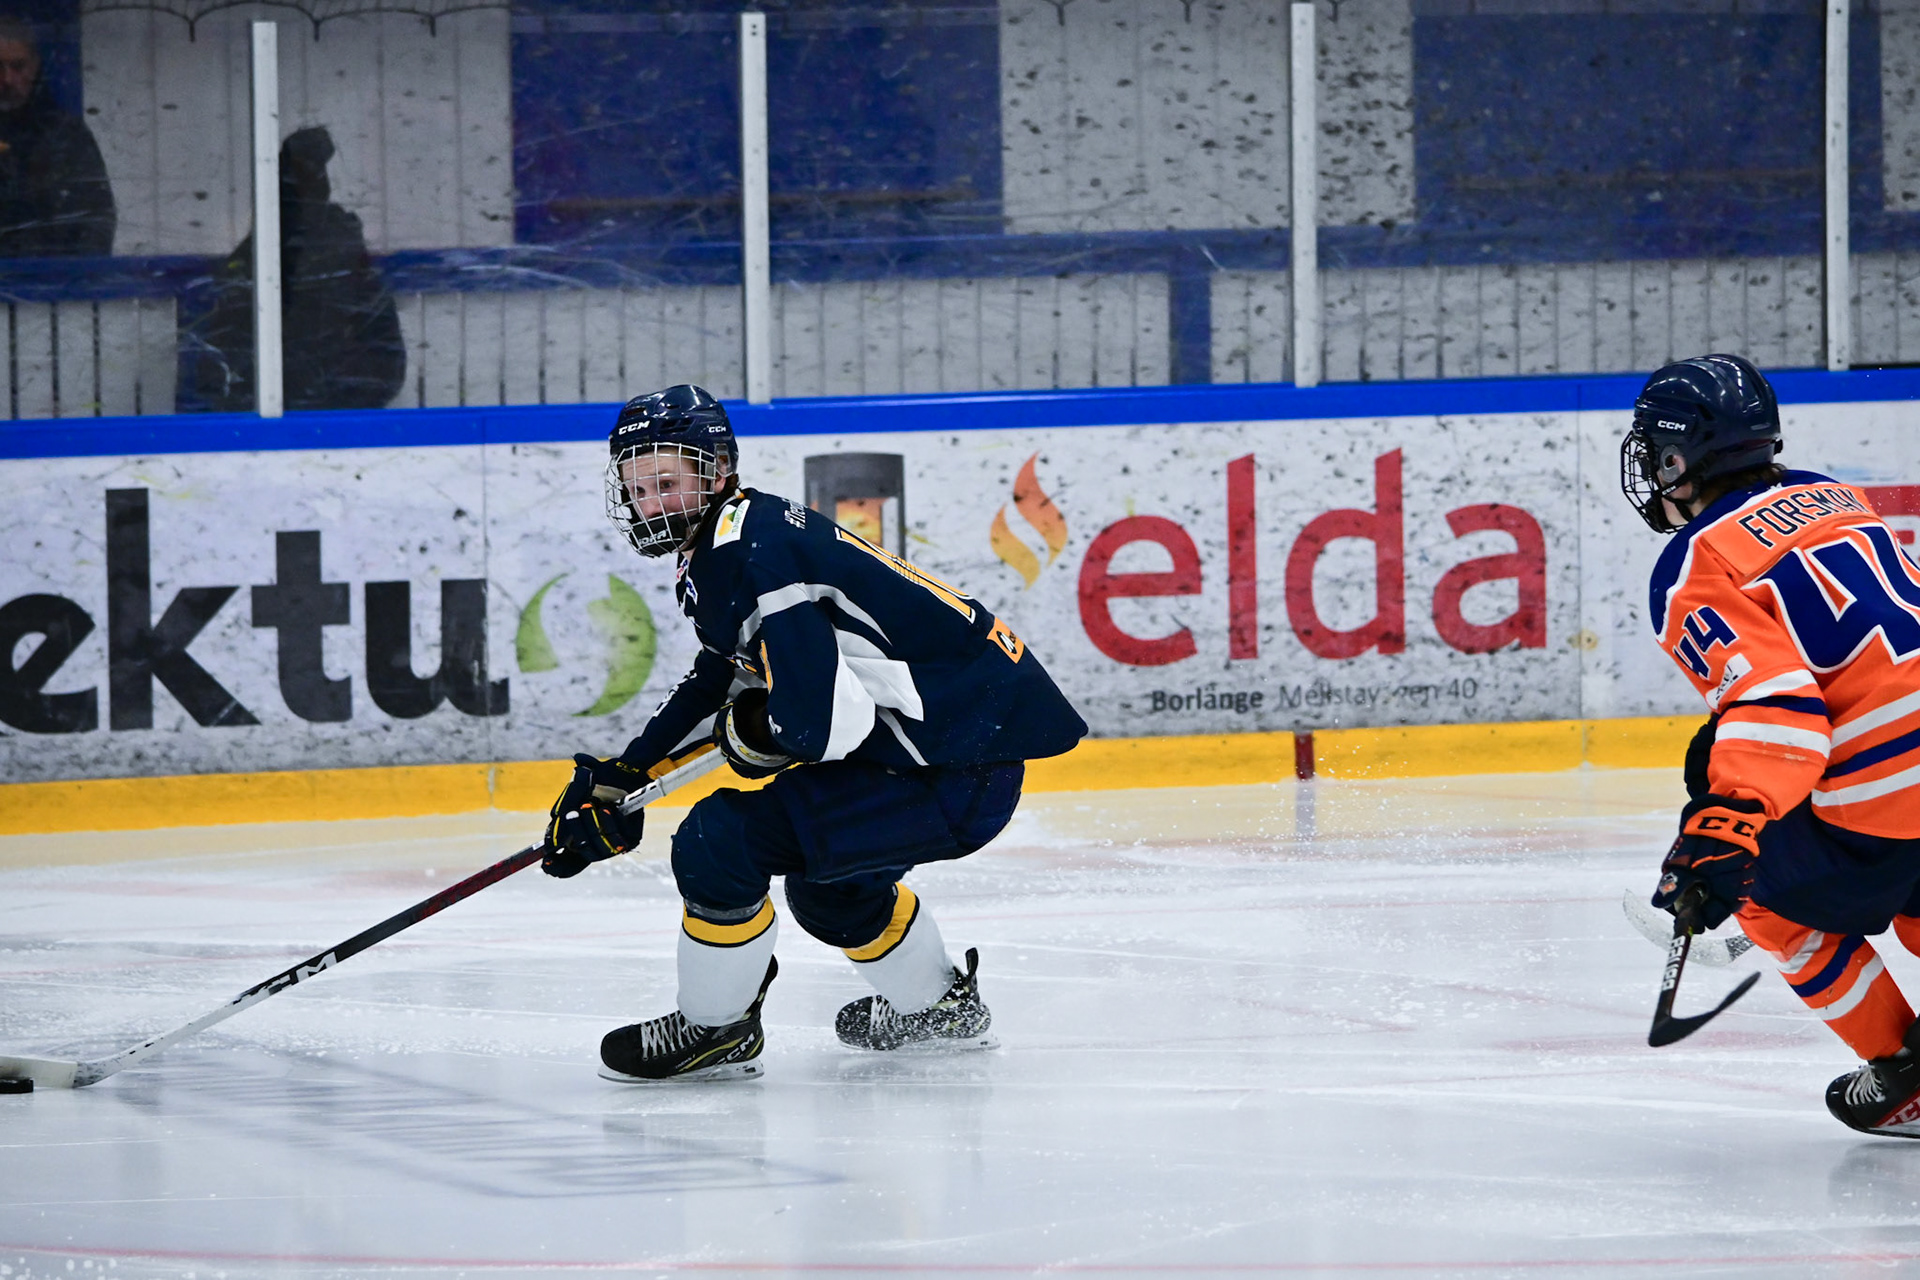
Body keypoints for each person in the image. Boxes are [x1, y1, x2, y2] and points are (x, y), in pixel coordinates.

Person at [542, 384, 1087, 1083]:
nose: (653, 504)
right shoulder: (737, 537)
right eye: (638, 488)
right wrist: (629, 773)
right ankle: (939, 1011)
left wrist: (749, 734)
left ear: (718, 471)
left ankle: (717, 1026)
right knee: (833, 890)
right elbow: (723, 674)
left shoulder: (754, 555)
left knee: (718, 842)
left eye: (669, 482)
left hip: (950, 768)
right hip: (948, 753)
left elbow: (817, 726)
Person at [1627, 353, 1920, 1137]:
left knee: (1761, 890)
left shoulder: (1692, 563)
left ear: (1675, 460)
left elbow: (1777, 704)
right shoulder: (1835, 495)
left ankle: (1906, 1074)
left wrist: (1727, 827)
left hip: (1889, 792)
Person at [189, 125, 405, 411]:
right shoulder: (256, 256)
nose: (309, 188)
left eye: (315, 176)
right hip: (277, 413)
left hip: (339, 413)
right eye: (298, 178)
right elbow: (219, 361)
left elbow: (386, 362)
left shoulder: (345, 248)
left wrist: (345, 404)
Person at [0, 17, 113, 256]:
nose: (7, 79)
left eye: (18, 66)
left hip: (54, 274)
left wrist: (75, 273)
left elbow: (96, 220)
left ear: (34, 66)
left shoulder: (65, 134)